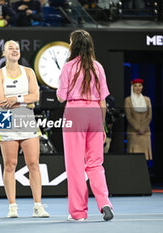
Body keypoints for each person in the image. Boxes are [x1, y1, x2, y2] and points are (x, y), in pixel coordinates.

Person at [56, 30, 113, 221]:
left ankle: (79, 213)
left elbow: (61, 96)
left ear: (74, 45)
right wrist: (102, 126)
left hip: (75, 112)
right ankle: (105, 203)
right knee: (96, 164)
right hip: (95, 113)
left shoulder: (68, 67)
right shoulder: (98, 67)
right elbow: (103, 102)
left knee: (75, 165)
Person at [0, 40, 49, 218]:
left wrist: (15, 98)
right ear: (4, 53)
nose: (15, 51)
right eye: (11, 48)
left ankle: (38, 206)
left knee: (33, 164)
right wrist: (25, 99)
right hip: (5, 118)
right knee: (10, 165)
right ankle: (12, 207)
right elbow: (0, 101)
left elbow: (36, 96)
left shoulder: (29, 72)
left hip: (26, 117)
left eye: (17, 48)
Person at [124, 79, 152, 161]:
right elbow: (129, 116)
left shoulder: (147, 99)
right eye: (136, 86)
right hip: (134, 132)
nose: (138, 88)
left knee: (145, 157)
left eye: (140, 85)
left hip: (145, 132)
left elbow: (149, 115)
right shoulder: (128, 100)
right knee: (134, 158)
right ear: (132, 87)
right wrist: (138, 128)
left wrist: (143, 128)